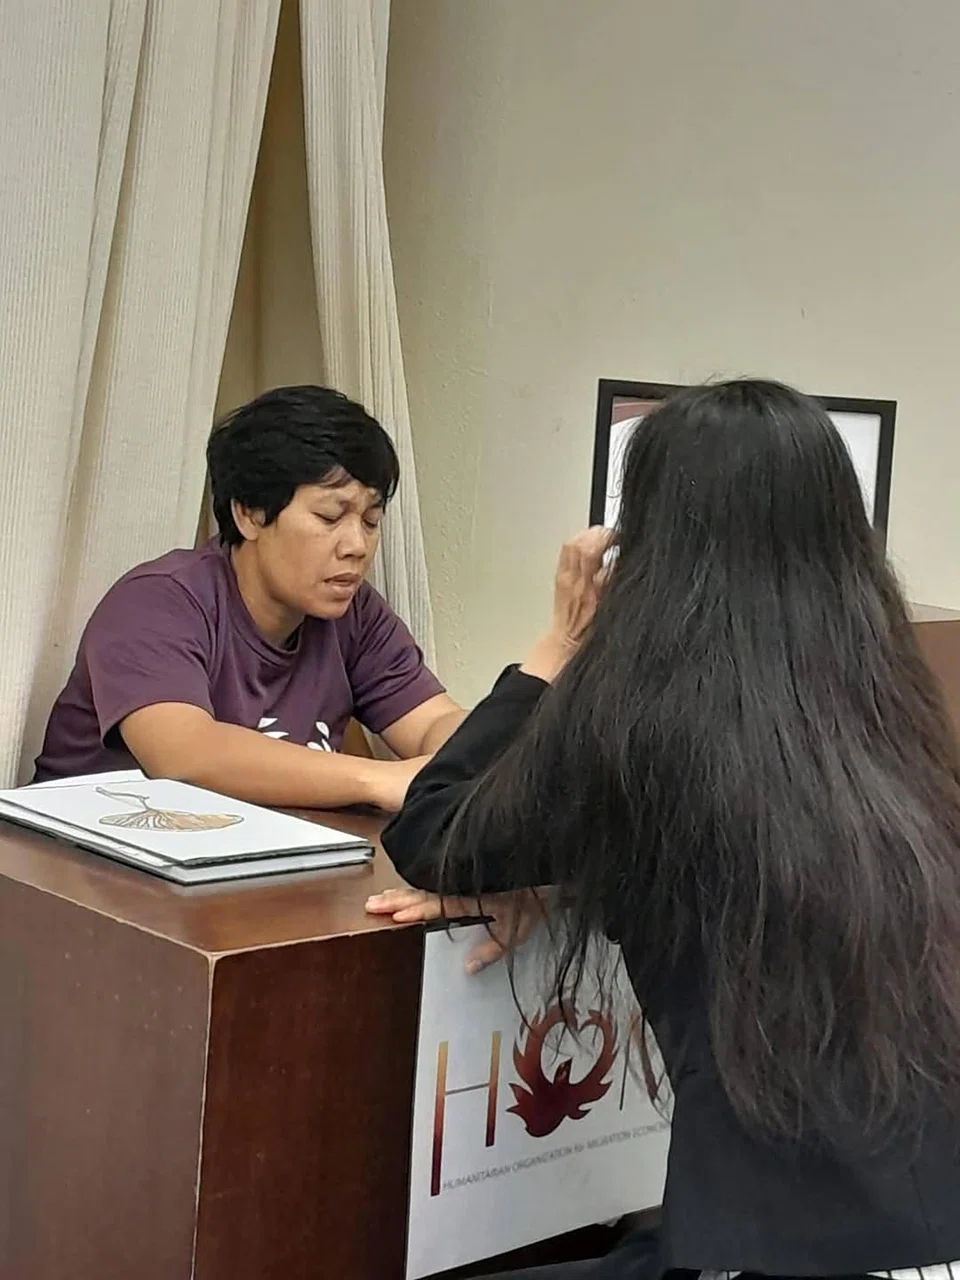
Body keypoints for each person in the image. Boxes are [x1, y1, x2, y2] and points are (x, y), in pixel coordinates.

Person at [368, 380, 960, 1279]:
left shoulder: (643, 727)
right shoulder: (892, 723)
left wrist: (555, 647)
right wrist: (576, 876)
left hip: (791, 1252)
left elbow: (435, 834)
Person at [34, 385, 464, 811]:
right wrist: (378, 779)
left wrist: (467, 758)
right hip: (81, 849)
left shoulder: (355, 612)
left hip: (266, 849)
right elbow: (183, 755)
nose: (356, 545)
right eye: (329, 517)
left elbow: (435, 721)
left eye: (371, 521)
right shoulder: (157, 601)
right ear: (249, 514)